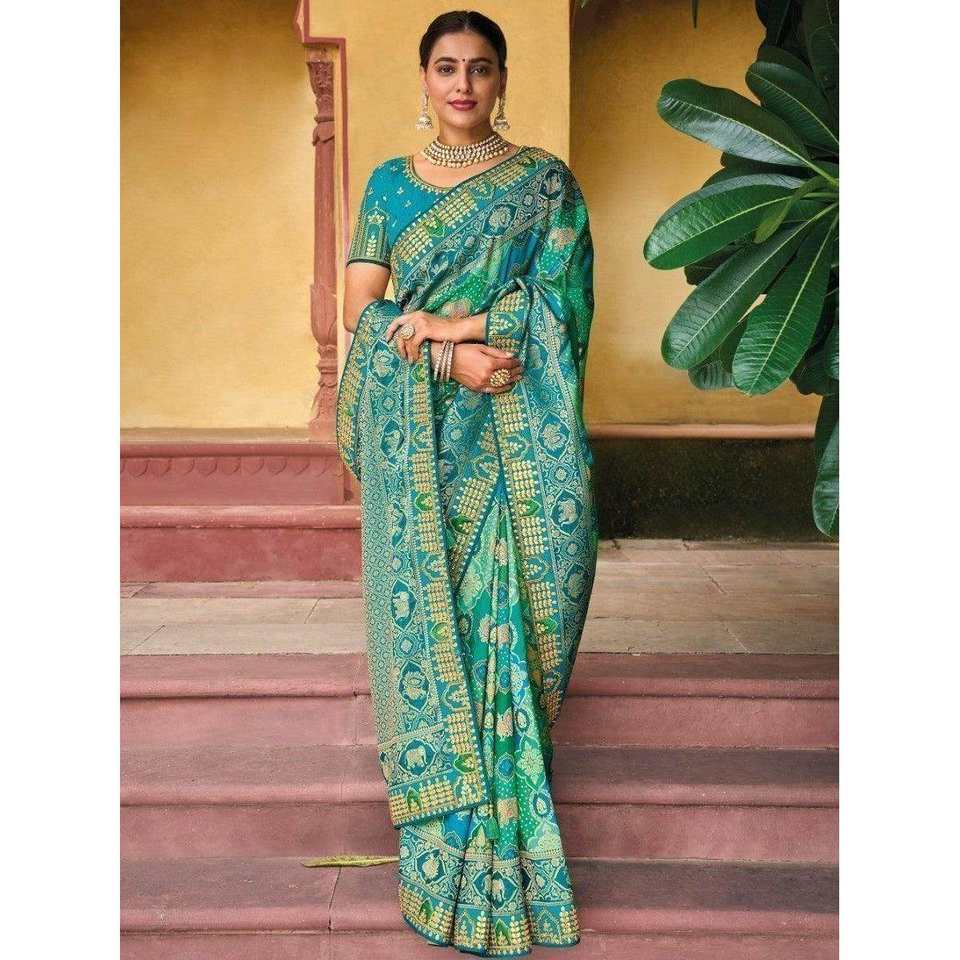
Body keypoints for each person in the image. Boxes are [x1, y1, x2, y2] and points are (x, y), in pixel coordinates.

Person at [336, 9, 598, 956]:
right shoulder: (388, 187)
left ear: (501, 80)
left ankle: (511, 841)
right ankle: (444, 854)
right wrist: (449, 360)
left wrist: (465, 326)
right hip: (423, 441)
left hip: (518, 432)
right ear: (423, 80)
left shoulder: (545, 185)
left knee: (507, 619)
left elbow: (565, 302)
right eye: (446, 68)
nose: (462, 85)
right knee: (442, 620)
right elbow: (361, 310)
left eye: (479, 68)